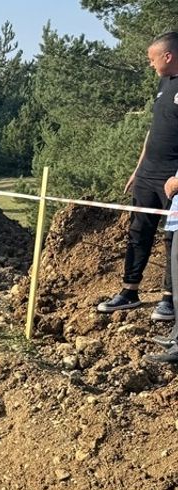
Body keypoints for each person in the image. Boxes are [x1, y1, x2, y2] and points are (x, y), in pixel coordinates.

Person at [100, 32, 178, 319]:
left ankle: (169, 300)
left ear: (168, 56)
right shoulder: (163, 82)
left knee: (173, 239)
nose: (150, 64)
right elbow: (153, 130)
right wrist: (137, 169)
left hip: (173, 180)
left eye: (152, 59)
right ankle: (129, 291)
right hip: (148, 174)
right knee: (138, 232)